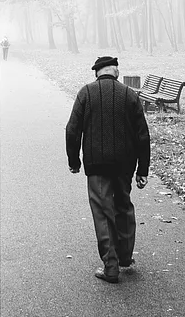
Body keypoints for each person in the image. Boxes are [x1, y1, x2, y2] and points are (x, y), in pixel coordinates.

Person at [64, 55, 151, 283]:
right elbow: (143, 135)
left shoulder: (86, 93)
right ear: (116, 73)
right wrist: (143, 170)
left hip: (97, 166)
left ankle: (111, 267)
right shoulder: (129, 95)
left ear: (97, 73)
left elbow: (72, 130)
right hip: (124, 166)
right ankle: (124, 257)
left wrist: (74, 161)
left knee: (103, 212)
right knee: (123, 207)